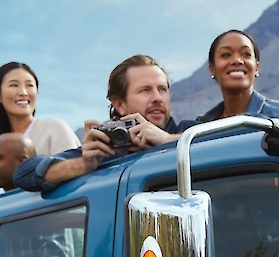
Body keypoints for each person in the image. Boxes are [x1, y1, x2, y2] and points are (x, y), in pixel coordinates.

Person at [14, 55, 178, 193]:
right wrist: (82, 165)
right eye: (145, 90)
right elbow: (25, 173)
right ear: (119, 104)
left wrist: (169, 140)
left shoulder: (193, 133)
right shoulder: (104, 151)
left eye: (162, 89)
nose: (157, 98)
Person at [0, 62, 79, 187]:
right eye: (14, 85)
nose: (23, 92)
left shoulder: (54, 129)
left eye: (29, 85)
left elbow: (74, 178)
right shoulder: (0, 143)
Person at [197, 30, 279, 123]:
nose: (237, 60)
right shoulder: (202, 128)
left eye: (246, 54)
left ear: (256, 67)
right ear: (212, 69)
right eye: (226, 55)